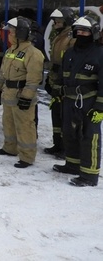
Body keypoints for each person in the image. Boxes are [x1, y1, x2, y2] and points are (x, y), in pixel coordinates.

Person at [53, 16, 103, 187]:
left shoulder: (100, 53)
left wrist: (100, 108)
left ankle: (89, 175)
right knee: (69, 133)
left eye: (85, 31)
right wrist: (56, 92)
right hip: (69, 100)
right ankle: (73, 165)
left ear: (93, 33)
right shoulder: (70, 52)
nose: (81, 34)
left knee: (89, 137)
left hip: (88, 103)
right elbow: (62, 75)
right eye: (78, 31)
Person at [0, 17, 44, 168]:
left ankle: (27, 156)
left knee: (25, 126)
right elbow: (3, 72)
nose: (9, 34)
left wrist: (27, 97)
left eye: (12, 32)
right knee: (8, 123)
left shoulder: (33, 53)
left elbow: (34, 79)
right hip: (8, 92)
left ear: (20, 33)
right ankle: (10, 148)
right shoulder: (10, 50)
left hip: (21, 94)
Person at [44, 7, 76, 157]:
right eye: (54, 20)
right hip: (55, 79)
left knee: (65, 117)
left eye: (58, 20)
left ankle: (66, 148)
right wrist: (50, 81)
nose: (55, 23)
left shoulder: (72, 37)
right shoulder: (58, 36)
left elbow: (72, 62)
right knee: (56, 114)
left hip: (66, 83)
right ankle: (57, 144)